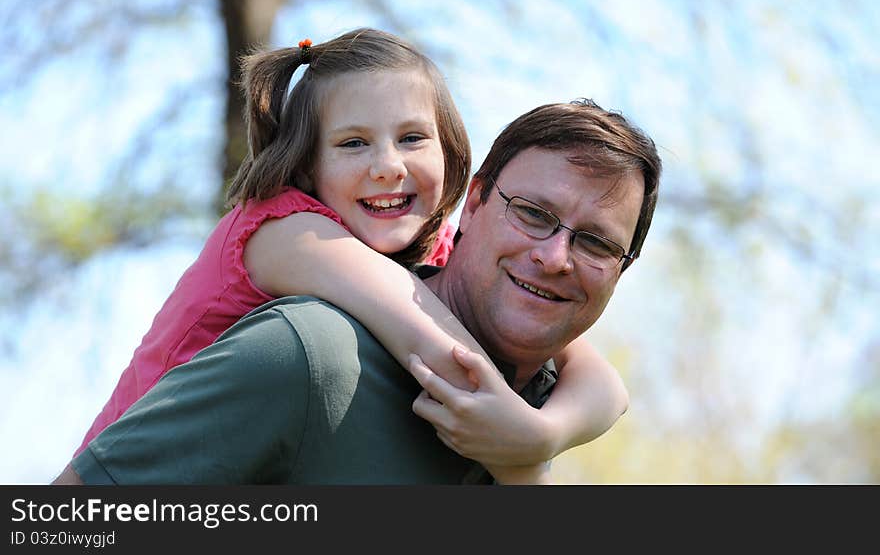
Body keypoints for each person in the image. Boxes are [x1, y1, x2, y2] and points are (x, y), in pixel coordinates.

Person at [70, 28, 630, 472]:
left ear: (451, 152)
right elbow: (439, 350)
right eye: (353, 143)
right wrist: (524, 466)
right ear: (308, 163)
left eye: (412, 138)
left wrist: (546, 432)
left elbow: (603, 383)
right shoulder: (285, 232)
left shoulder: (424, 246)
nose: (388, 165)